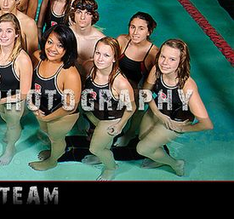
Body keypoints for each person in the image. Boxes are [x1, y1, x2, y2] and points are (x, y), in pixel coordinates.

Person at [136, 38, 213, 176]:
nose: (165, 63)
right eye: (163, 57)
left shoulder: (186, 86)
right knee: (142, 137)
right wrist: (157, 112)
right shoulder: (157, 70)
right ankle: (159, 158)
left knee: (143, 149)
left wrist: (182, 128)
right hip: (159, 110)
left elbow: (206, 124)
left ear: (181, 61)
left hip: (176, 120)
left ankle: (175, 163)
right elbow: (145, 91)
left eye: (172, 59)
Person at [81, 37, 136, 180]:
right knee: (103, 145)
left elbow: (132, 106)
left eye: (106, 55)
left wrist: (119, 126)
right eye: (98, 53)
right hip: (95, 113)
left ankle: (111, 167)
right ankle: (102, 156)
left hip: (111, 118)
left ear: (114, 58)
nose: (100, 59)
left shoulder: (120, 83)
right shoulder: (90, 67)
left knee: (95, 148)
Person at [0, 13, 33, 165]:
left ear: (17, 33)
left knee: (12, 123)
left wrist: (0, 100)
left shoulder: (22, 60)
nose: (3, 35)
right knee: (3, 116)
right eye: (0, 30)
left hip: (14, 100)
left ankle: (10, 148)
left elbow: (24, 93)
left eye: (9, 31)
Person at [28, 24, 82, 171]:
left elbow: (70, 106)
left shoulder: (69, 73)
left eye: (60, 45)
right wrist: (34, 107)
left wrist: (47, 117)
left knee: (56, 138)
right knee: (47, 132)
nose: (52, 49)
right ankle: (54, 151)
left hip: (63, 114)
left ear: (68, 49)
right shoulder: (37, 57)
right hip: (43, 109)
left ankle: (53, 161)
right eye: (50, 42)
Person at [114, 11, 159, 146]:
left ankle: (130, 133)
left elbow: (150, 84)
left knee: (141, 102)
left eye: (141, 28)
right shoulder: (122, 40)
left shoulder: (153, 53)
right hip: (117, 82)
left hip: (137, 87)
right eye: (132, 27)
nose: (135, 32)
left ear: (149, 31)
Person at [68, 0, 105, 81]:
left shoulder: (100, 40)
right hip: (68, 78)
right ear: (73, 14)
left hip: (90, 81)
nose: (82, 17)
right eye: (79, 12)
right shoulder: (66, 34)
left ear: (93, 16)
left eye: (87, 13)